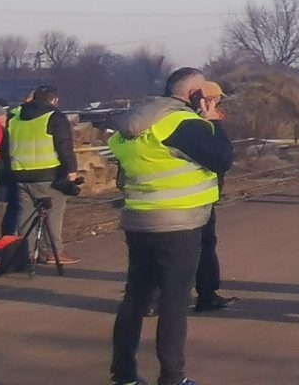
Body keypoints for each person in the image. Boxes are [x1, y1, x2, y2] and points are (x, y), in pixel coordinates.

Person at [109, 66, 234, 385]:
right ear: (194, 94)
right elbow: (222, 159)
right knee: (174, 303)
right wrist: (215, 124)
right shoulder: (182, 123)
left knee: (135, 298)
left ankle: (123, 375)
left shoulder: (134, 123)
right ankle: (172, 378)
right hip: (179, 224)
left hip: (139, 220)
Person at [2, 84, 81, 266]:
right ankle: (54, 253)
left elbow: (4, 149)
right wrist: (71, 170)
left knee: (25, 214)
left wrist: (9, 170)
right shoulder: (55, 117)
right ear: (53, 100)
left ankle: (26, 253)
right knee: (54, 212)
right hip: (48, 175)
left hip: (20, 174)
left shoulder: (14, 118)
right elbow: (64, 146)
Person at [189, 80, 238, 313]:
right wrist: (216, 125)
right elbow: (222, 159)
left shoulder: (173, 122)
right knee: (203, 246)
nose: (219, 104)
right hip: (198, 196)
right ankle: (206, 295)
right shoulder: (203, 125)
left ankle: (153, 299)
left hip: (166, 197)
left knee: (165, 250)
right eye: (216, 99)